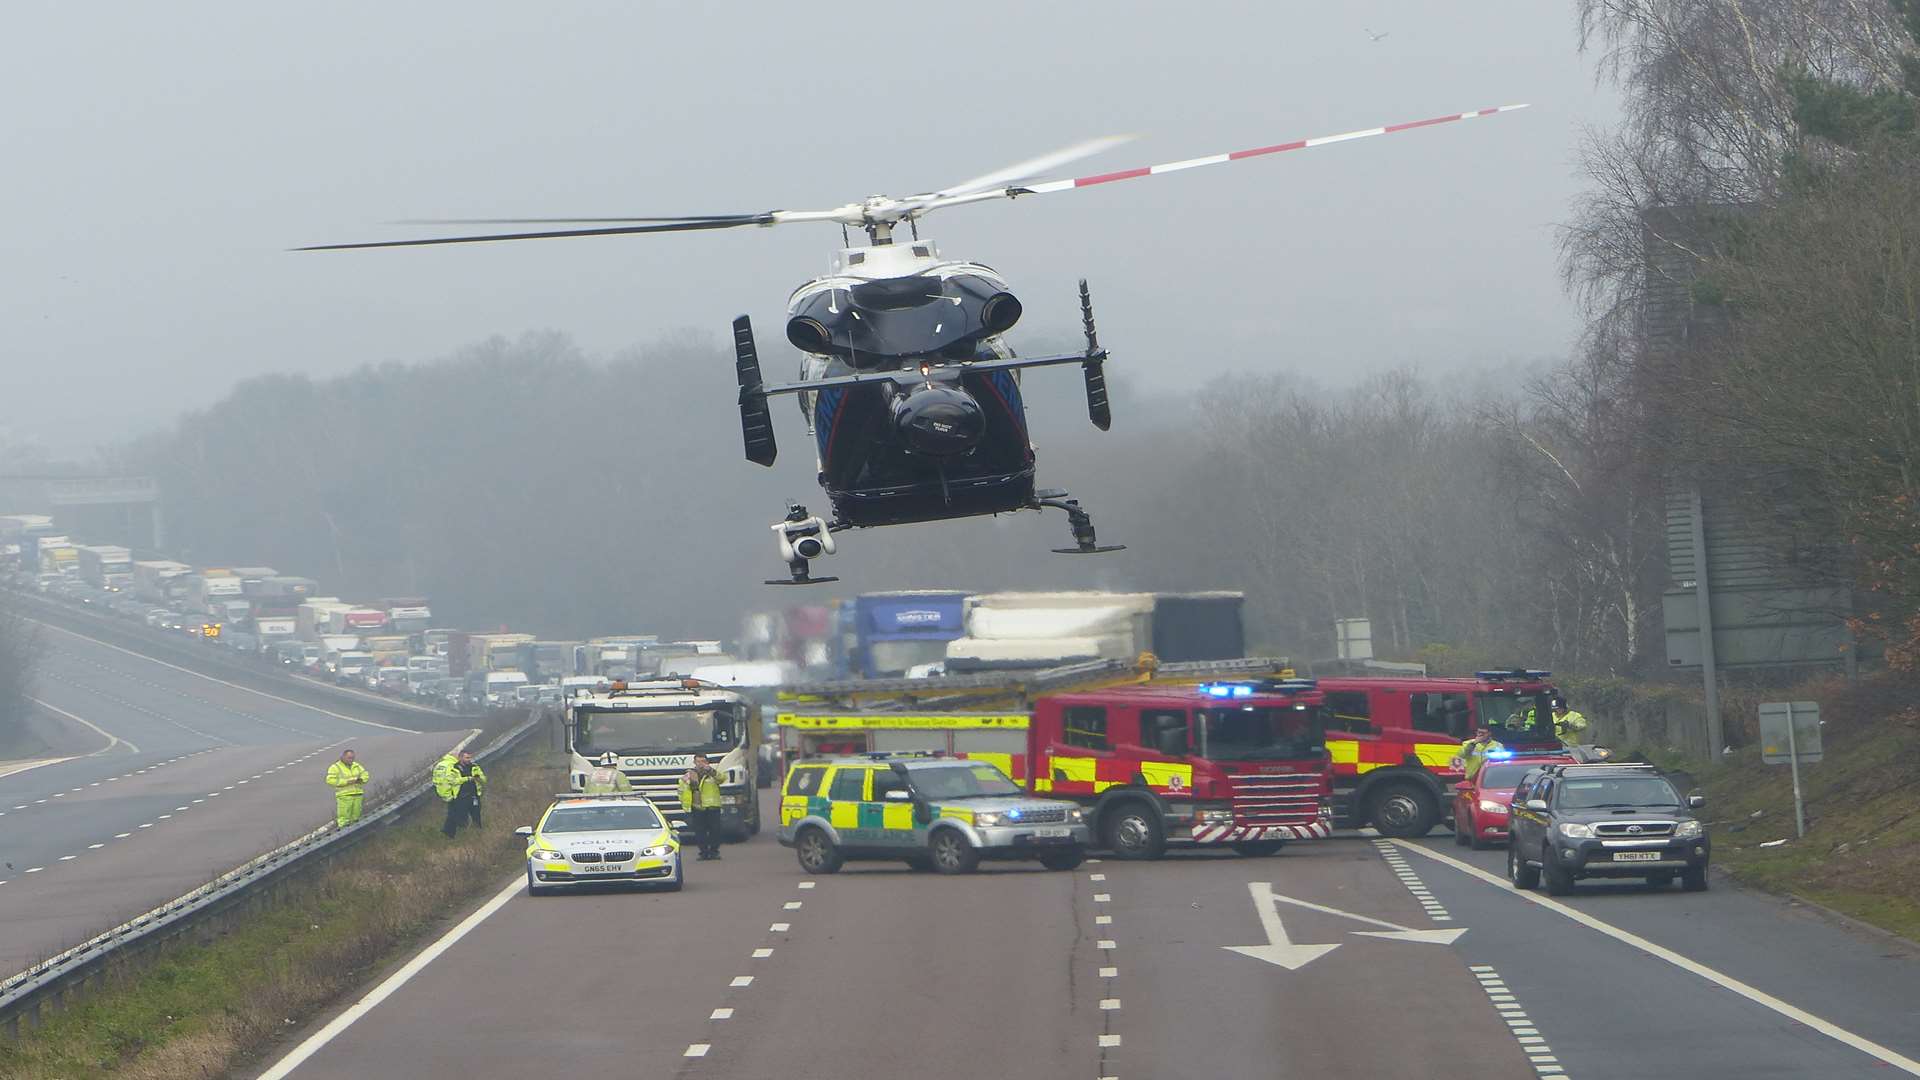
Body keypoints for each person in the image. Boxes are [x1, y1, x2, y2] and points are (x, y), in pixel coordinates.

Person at [678, 752, 724, 860]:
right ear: (694, 762)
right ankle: (703, 852)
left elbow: (722, 779)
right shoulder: (689, 775)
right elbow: (682, 789)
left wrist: (711, 771)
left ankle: (714, 851)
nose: (701, 764)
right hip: (697, 806)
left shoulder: (712, 773)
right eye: (698, 761)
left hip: (713, 806)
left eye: (703, 761)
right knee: (700, 832)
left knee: (715, 830)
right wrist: (686, 805)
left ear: (707, 762)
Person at [434, 748, 488, 839]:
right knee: (458, 817)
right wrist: (467, 779)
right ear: (460, 757)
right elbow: (452, 781)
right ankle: (453, 836)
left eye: (469, 757)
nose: (469, 759)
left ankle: (475, 834)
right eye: (466, 757)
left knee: (473, 814)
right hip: (459, 796)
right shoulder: (453, 767)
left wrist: (479, 779)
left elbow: (483, 778)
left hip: (469, 795)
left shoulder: (473, 766)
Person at [326, 749, 370, 827]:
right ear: (343, 757)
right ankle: (343, 833)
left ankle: (355, 832)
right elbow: (330, 780)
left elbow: (365, 775)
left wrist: (361, 780)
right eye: (349, 758)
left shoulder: (356, 766)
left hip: (358, 794)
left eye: (352, 758)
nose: (351, 760)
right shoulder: (335, 767)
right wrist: (346, 782)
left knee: (356, 817)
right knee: (344, 818)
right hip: (344, 796)